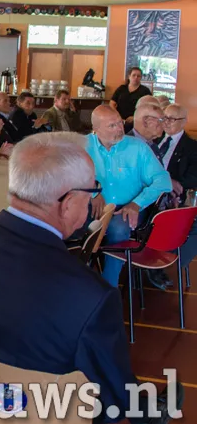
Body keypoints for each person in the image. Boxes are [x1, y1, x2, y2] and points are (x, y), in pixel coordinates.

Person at [0, 132, 179, 424]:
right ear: (68, 202)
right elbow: (114, 397)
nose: (91, 204)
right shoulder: (91, 294)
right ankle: (148, 416)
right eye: (92, 193)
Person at [85, 105, 171, 287]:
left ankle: (108, 288)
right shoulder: (83, 145)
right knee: (62, 226)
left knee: (118, 229)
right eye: (112, 126)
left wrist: (137, 203)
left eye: (120, 123)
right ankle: (76, 283)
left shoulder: (137, 148)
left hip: (125, 208)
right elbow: (65, 175)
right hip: (91, 206)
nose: (119, 129)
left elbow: (164, 180)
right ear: (96, 129)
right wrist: (92, 191)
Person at [163, 103, 197, 275]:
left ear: (183, 122)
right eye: (165, 117)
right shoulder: (154, 141)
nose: (167, 122)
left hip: (176, 199)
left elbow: (193, 178)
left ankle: (168, 262)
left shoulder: (192, 147)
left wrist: (172, 184)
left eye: (172, 119)